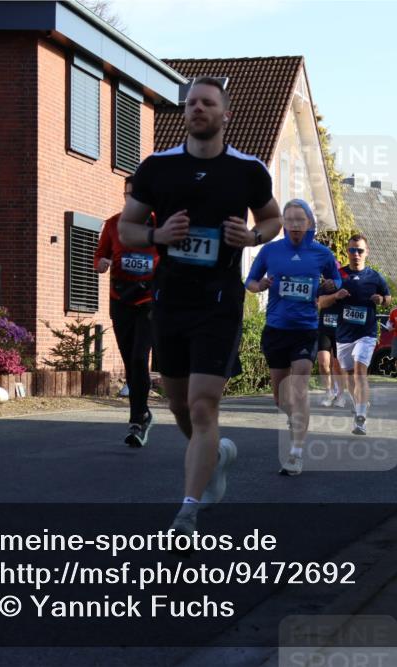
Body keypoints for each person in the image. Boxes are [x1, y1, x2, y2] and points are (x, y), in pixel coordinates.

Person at [118, 77, 283, 537]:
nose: (197, 109)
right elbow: (128, 229)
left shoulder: (247, 170)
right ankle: (216, 455)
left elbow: (269, 217)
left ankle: (187, 511)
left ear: (225, 114)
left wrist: (252, 237)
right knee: (178, 407)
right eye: (191, 103)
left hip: (219, 301)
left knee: (203, 403)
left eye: (207, 103)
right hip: (170, 298)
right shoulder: (157, 167)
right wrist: (157, 235)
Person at [245, 199, 340, 476]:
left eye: (301, 220)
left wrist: (332, 285)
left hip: (306, 330)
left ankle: (296, 453)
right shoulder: (271, 251)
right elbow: (249, 281)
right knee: (281, 398)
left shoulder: (321, 254)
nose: (296, 225)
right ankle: (293, 417)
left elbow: (337, 279)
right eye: (290, 220)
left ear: (309, 224)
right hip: (276, 329)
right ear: (284, 223)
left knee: (298, 389)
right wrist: (259, 285)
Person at [94, 175, 158, 447]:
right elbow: (99, 255)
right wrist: (102, 263)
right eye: (127, 194)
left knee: (138, 358)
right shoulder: (113, 224)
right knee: (129, 362)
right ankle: (143, 411)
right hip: (120, 299)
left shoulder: (160, 225)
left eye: (138, 195)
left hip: (149, 301)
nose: (132, 199)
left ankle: (137, 420)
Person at [324, 234, 391, 435]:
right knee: (351, 376)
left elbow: (388, 298)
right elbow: (321, 302)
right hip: (343, 335)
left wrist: (381, 299)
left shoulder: (375, 277)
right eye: (352, 250)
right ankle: (361, 403)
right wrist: (335, 295)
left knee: (360, 371)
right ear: (347, 252)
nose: (356, 254)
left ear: (366, 252)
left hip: (366, 333)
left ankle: (360, 417)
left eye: (360, 250)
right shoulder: (338, 275)